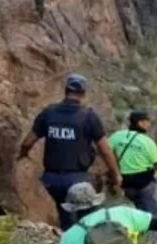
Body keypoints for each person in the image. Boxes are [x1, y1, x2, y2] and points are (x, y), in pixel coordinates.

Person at [18, 73, 122, 231]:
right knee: (88, 219)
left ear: (66, 90)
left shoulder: (49, 113)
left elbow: (27, 142)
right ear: (83, 93)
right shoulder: (88, 117)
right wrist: (116, 174)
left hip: (51, 180)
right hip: (77, 179)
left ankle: (68, 243)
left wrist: (23, 155)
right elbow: (105, 151)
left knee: (66, 215)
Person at [108, 109, 157, 215]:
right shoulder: (147, 142)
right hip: (144, 184)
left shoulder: (117, 136)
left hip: (125, 183)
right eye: (147, 121)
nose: (149, 124)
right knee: (152, 214)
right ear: (140, 123)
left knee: (136, 209)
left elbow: (106, 151)